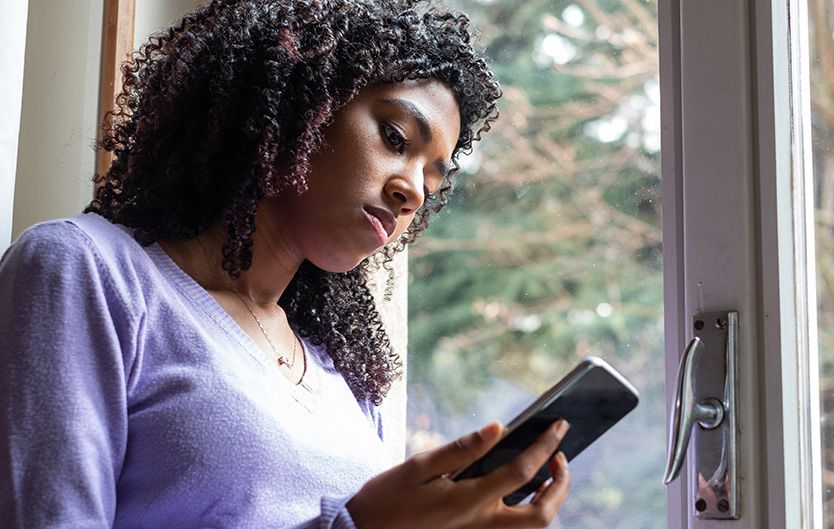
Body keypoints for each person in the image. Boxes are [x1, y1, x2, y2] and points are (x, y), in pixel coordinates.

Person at [0, 0, 572, 528]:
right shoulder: (86, 271)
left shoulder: (341, 376)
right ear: (302, 107)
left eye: (431, 175)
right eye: (396, 138)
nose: (414, 193)